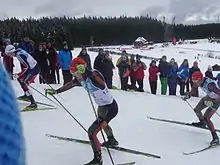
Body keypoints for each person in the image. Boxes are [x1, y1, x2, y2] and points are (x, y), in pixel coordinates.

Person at [45, 57, 119, 165]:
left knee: (92, 132)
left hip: (110, 108)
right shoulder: (81, 78)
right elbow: (71, 84)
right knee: (102, 125)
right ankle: (112, 140)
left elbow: (102, 84)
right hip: (102, 107)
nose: (74, 75)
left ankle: (98, 160)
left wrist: (87, 73)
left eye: (75, 72)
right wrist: (56, 91)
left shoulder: (93, 75)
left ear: (81, 69)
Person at [183, 71, 220, 145]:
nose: (195, 83)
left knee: (207, 117)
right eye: (193, 81)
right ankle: (202, 122)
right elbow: (194, 87)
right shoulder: (199, 82)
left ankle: (215, 137)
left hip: (217, 100)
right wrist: (189, 95)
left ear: (200, 79)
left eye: (196, 81)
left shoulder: (210, 85)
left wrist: (214, 102)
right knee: (197, 110)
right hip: (209, 97)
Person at [4, 44, 39, 109]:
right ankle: (26, 95)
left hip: (34, 69)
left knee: (24, 82)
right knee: (20, 79)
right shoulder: (18, 52)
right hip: (32, 68)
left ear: (12, 52)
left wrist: (19, 74)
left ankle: (33, 103)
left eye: (8, 54)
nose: (8, 55)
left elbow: (27, 67)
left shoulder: (19, 55)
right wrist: (19, 75)